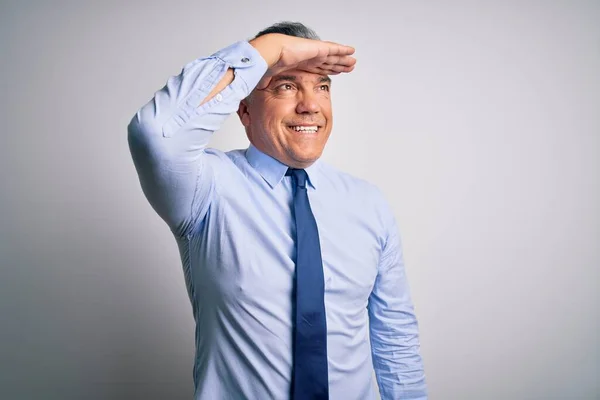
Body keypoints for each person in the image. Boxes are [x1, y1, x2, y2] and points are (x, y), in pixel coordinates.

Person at [128, 21, 427, 400]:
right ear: (244, 109)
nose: (310, 106)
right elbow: (155, 133)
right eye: (286, 86)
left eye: (322, 87)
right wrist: (268, 50)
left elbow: (394, 337)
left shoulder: (369, 204)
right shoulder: (206, 189)